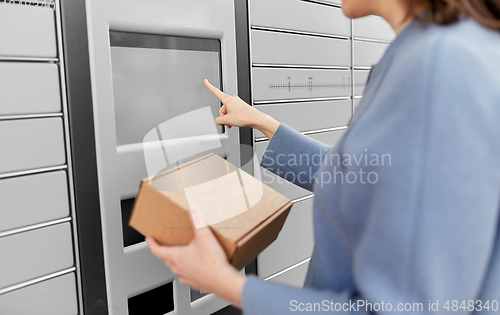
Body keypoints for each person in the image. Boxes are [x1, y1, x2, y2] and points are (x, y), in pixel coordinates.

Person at [147, 0, 500, 313]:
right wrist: (264, 123)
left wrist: (226, 284)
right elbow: (369, 180)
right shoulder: (449, 48)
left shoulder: (439, 66)